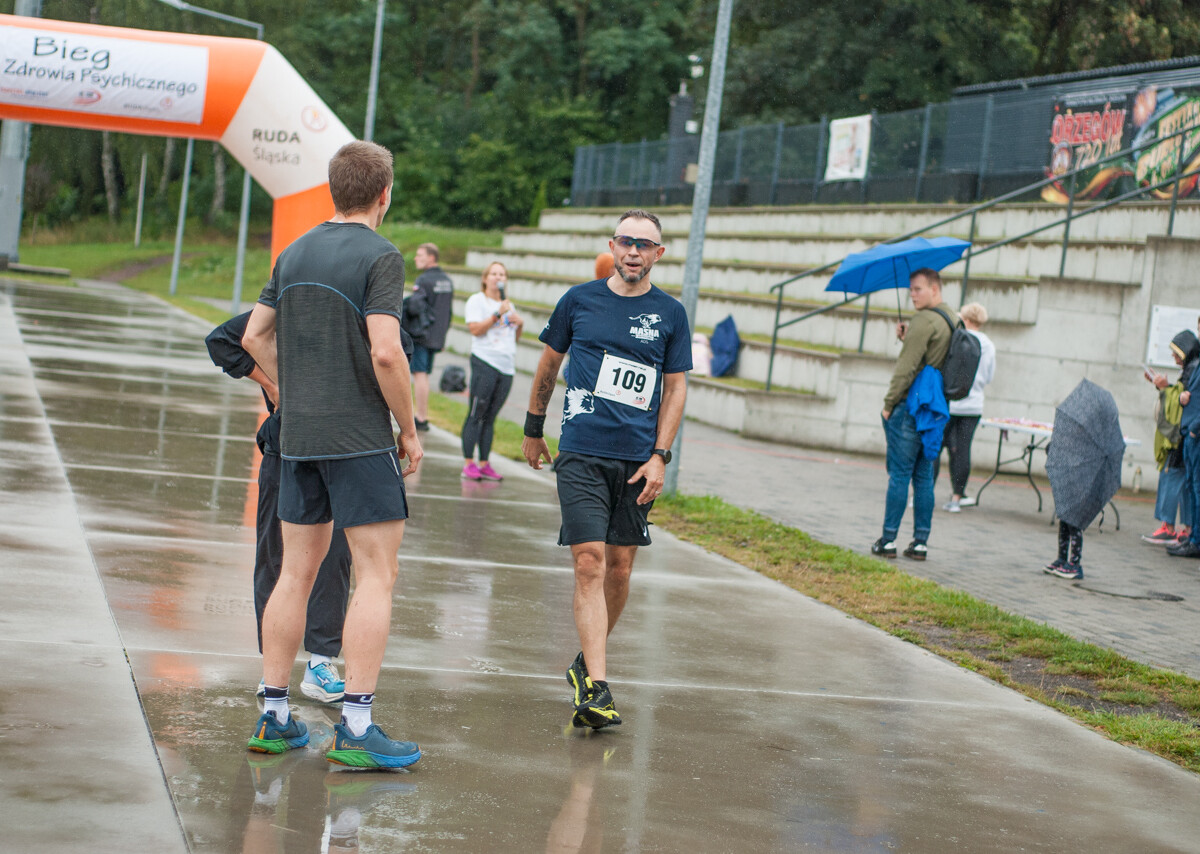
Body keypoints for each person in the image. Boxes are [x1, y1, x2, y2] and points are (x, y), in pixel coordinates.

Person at [241, 140, 424, 769]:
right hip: (357, 438)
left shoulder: (294, 252)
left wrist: (294, 389)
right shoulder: (382, 255)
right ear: (384, 194)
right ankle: (356, 726)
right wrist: (408, 426)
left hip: (298, 438)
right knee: (376, 575)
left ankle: (273, 716)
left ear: (332, 191)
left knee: (295, 572)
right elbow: (386, 352)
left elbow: (252, 336)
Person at [522, 209, 691, 729]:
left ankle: (583, 664)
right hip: (581, 451)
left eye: (645, 244)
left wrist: (660, 456)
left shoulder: (670, 314)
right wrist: (532, 427)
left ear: (659, 254)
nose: (634, 251)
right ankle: (596, 687)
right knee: (589, 561)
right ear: (612, 246)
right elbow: (549, 366)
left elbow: (676, 387)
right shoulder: (579, 301)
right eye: (626, 242)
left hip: (637, 460)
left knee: (619, 568)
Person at [206, 314, 352, 703]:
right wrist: (272, 384)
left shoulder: (359, 308)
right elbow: (221, 341)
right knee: (275, 555)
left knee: (335, 555)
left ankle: (320, 662)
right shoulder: (286, 306)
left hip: (342, 448)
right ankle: (274, 669)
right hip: (285, 444)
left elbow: (395, 353)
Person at [872, 268, 958, 562]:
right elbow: (932, 358)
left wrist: (888, 404)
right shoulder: (952, 319)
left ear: (935, 289)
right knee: (923, 477)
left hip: (911, 409)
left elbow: (907, 369)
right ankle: (920, 543)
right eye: (910, 290)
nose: (912, 294)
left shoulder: (923, 319)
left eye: (918, 289)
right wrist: (907, 338)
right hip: (935, 410)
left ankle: (887, 540)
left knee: (899, 474)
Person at [461, 261, 523, 481]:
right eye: (494, 273)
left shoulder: (509, 304)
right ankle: (468, 463)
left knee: (490, 417)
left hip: (506, 366)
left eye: (502, 274)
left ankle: (485, 462)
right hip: (485, 361)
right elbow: (476, 330)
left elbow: (513, 336)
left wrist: (520, 324)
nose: (498, 277)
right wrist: (497, 314)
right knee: (476, 413)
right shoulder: (477, 301)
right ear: (485, 278)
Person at [934, 302, 995, 512]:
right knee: (962, 450)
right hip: (973, 405)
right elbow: (988, 377)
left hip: (950, 403)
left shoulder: (957, 338)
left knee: (935, 447)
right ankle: (957, 497)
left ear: (966, 319)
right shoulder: (988, 345)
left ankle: (923, 492)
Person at [1143, 330, 1198, 544]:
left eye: (1177, 353)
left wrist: (1165, 388)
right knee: (1185, 483)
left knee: (1172, 477)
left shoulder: (1192, 369)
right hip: (1187, 435)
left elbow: (1183, 402)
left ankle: (1168, 526)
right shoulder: (1193, 368)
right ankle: (1187, 529)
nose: (1174, 357)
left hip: (1183, 436)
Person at [408, 242, 454, 431]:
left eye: (420, 255)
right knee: (424, 374)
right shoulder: (447, 281)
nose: (416, 258)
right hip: (437, 336)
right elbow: (448, 311)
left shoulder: (423, 280)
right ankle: (423, 415)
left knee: (419, 375)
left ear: (431, 258)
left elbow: (414, 307)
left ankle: (421, 417)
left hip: (421, 335)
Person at [1168, 318, 1200, 559]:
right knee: (1190, 487)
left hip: (1196, 433)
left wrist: (1195, 429)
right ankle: (1192, 536)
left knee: (1196, 489)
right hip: (1190, 432)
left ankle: (1196, 540)